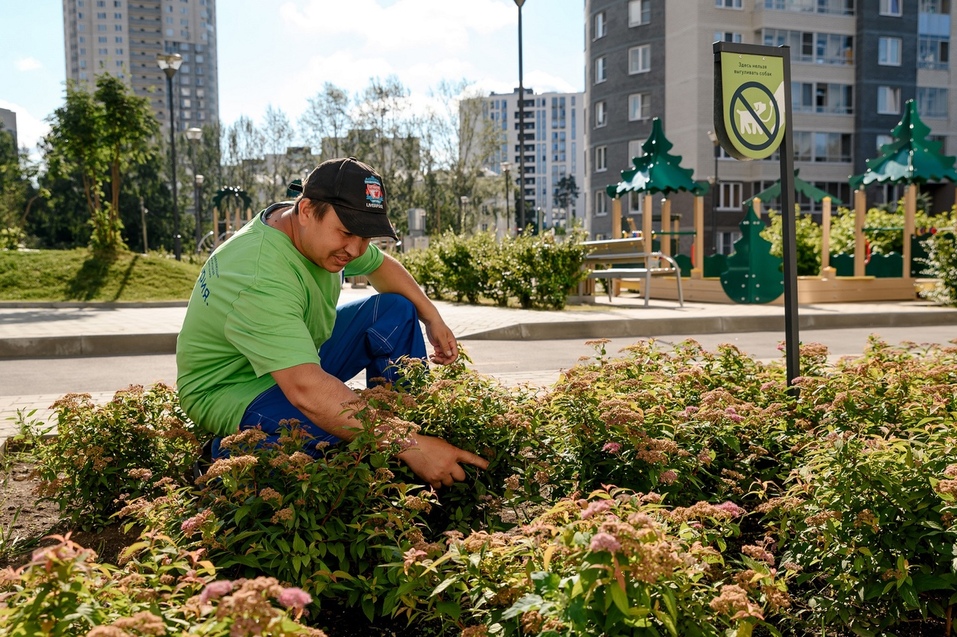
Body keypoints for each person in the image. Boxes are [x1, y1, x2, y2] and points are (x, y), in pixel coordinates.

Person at [176, 157, 488, 489]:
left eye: (366, 236)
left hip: (297, 354)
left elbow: (381, 267)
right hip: (232, 385)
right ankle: (217, 459)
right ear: (307, 210)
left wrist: (433, 318)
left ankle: (411, 447)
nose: (355, 249)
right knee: (331, 430)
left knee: (395, 311)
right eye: (348, 232)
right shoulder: (259, 275)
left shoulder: (309, 228)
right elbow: (305, 389)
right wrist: (403, 442)